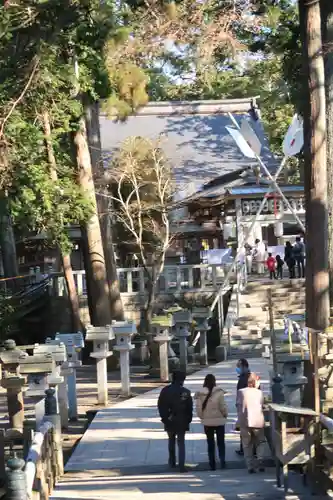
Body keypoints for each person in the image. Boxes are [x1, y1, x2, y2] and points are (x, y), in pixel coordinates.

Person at [158, 371, 193, 472]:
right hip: (182, 420)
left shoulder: (165, 391)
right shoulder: (186, 392)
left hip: (169, 419)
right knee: (181, 442)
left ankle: (172, 462)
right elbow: (189, 408)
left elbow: (160, 405)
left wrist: (164, 418)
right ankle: (181, 465)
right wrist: (188, 420)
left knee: (171, 440)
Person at [195, 374, 228, 470]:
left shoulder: (200, 394)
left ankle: (212, 463)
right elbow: (222, 406)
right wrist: (225, 414)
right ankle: (222, 461)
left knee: (210, 443)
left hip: (207, 421)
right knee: (221, 442)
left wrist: (202, 417)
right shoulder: (219, 392)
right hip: (219, 420)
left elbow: (198, 408)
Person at [236, 372, 266, 474]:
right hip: (258, 421)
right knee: (260, 442)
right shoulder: (259, 393)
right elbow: (262, 404)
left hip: (245, 422)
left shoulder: (241, 392)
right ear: (255, 382)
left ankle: (250, 466)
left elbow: (239, 407)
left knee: (247, 444)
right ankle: (260, 460)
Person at [235, 358, 250, 456]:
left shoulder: (243, 378)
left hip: (244, 406)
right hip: (252, 406)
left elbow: (240, 394)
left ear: (244, 366)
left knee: (244, 428)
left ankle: (244, 449)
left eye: (239, 367)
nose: (237, 368)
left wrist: (238, 405)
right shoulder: (251, 377)